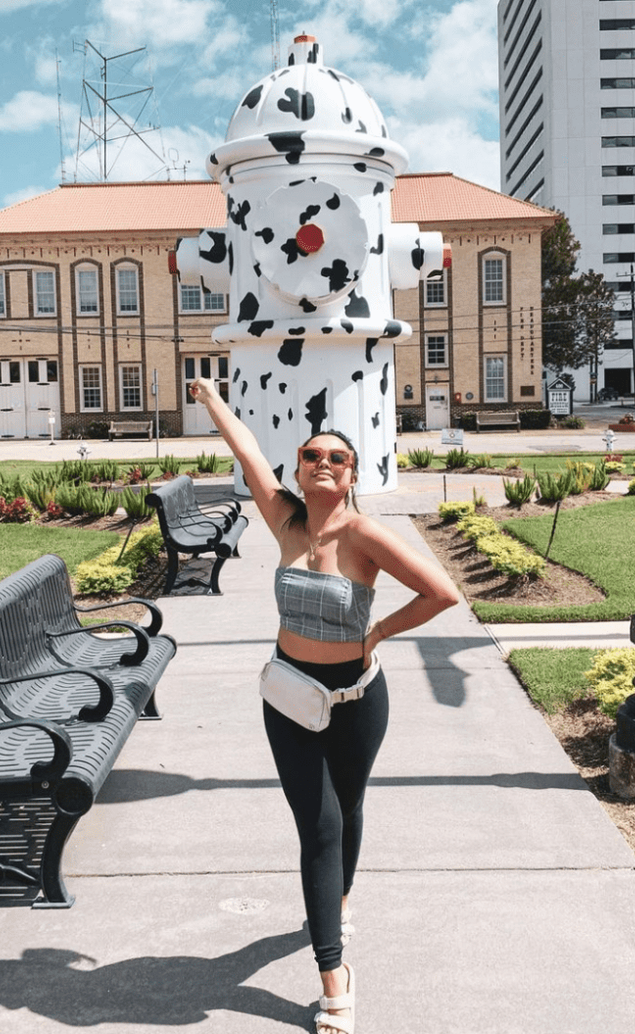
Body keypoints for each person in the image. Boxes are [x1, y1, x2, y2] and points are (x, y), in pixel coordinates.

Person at [188, 378, 460, 1034]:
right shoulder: (285, 519)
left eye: (337, 457)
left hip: (358, 700)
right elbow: (249, 451)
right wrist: (212, 398)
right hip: (289, 697)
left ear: (352, 474)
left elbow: (441, 592)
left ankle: (333, 901)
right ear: (300, 471)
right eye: (312, 455)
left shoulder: (365, 537)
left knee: (352, 806)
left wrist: (377, 632)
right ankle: (334, 976)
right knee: (320, 828)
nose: (323, 463)